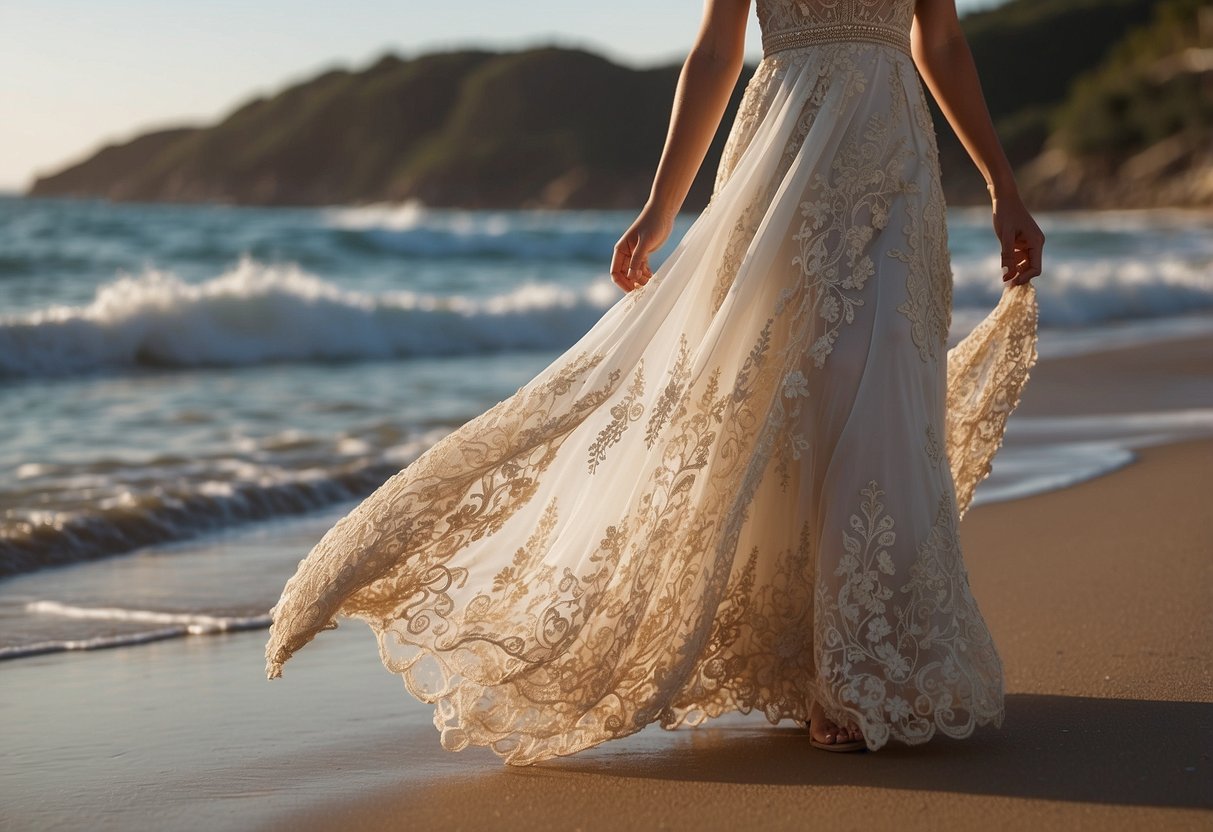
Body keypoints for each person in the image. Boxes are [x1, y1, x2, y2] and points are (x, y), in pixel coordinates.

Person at [265, 0, 1042, 764]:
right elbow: (713, 50)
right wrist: (661, 206)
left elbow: (937, 37)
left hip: (894, 151)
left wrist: (1001, 187)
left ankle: (864, 662)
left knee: (884, 376)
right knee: (785, 388)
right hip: (784, 153)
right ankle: (821, 659)